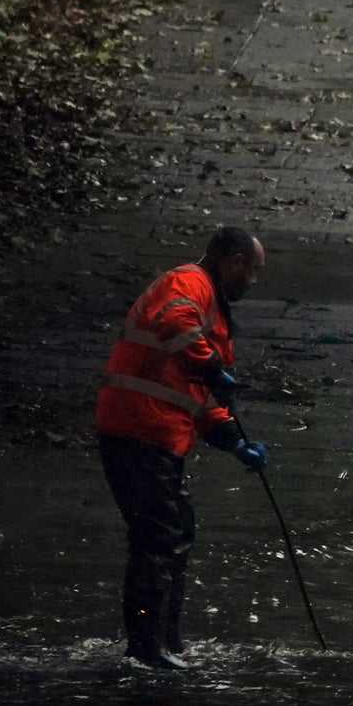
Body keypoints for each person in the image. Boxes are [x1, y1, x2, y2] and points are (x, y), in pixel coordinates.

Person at [94, 227, 268, 670]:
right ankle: (148, 651)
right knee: (157, 539)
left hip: (159, 436)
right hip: (138, 428)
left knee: (174, 533)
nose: (253, 282)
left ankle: (167, 642)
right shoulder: (187, 284)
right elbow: (175, 323)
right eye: (253, 271)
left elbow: (207, 402)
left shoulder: (217, 316)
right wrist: (210, 367)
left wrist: (235, 441)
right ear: (234, 262)